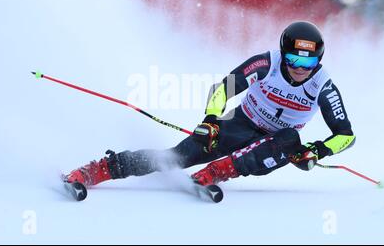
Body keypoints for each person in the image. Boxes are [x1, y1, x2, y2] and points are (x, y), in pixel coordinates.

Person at [65, 21, 355, 187]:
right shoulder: (268, 63)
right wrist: (212, 120)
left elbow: (346, 134)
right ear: (283, 53)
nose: (300, 68)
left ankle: (218, 172)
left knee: (291, 137)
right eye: (294, 60)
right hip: (240, 124)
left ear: (320, 60)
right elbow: (225, 88)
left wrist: (317, 150)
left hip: (276, 142)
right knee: (177, 156)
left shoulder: (323, 86)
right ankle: (103, 168)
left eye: (309, 62)